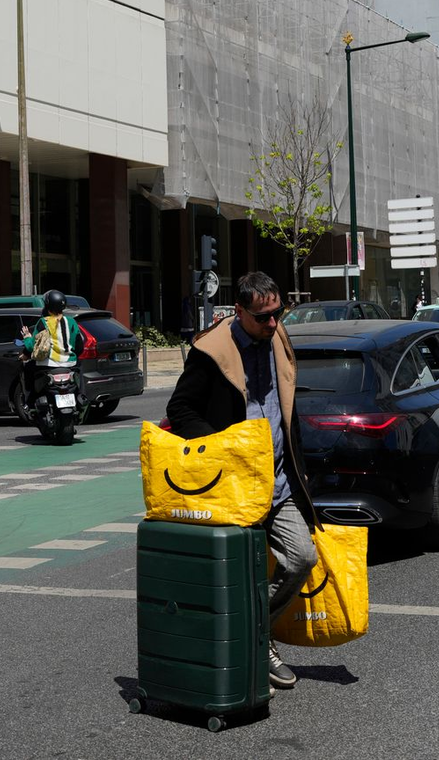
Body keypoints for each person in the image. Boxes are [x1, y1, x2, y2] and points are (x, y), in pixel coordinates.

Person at [166, 271, 317, 691]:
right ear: (239, 311)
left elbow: (285, 408)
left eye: (277, 313)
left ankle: (253, 634)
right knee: (239, 574)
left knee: (302, 558)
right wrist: (222, 445)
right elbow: (180, 409)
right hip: (233, 485)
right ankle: (247, 646)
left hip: (279, 482)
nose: (272, 323)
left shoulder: (278, 337)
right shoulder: (211, 352)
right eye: (262, 317)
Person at [20, 289, 81, 406]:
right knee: (80, 369)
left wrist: (27, 337)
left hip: (47, 365)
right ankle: (80, 395)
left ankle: (29, 402)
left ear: (47, 306)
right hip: (70, 365)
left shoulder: (43, 322)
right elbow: (79, 347)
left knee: (27, 369)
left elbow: (33, 346)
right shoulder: (72, 322)